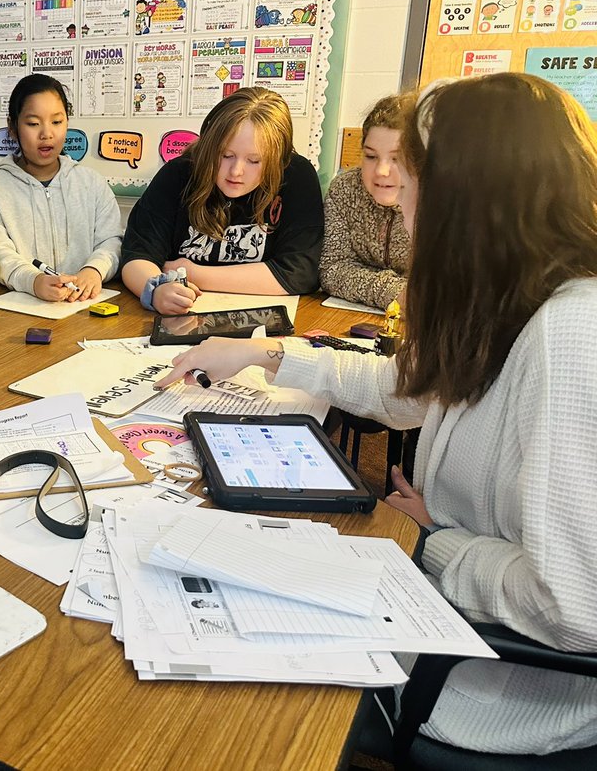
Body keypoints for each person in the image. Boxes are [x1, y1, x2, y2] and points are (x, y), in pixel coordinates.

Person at [158, 73, 597, 755]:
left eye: (416, 170)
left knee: (224, 695)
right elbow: (408, 390)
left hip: (490, 690)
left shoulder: (573, 331)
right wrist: (264, 354)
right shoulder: (514, 293)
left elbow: (577, 610)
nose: (398, 187)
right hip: (453, 614)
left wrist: (436, 539)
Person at [121, 86, 323, 315]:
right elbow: (136, 256)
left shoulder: (296, 175)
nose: (236, 171)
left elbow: (300, 273)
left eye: (254, 161)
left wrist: (192, 272)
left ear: (278, 160)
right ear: (208, 148)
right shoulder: (178, 174)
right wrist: (155, 291)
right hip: (185, 319)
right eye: (225, 155)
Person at [0, 73, 122, 302]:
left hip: (85, 307)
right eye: (33, 123)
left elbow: (112, 240)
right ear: (12, 127)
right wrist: (33, 281)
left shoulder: (91, 183)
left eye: (57, 122)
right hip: (20, 311)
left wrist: (94, 270)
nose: (47, 134)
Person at [319, 93, 413, 309]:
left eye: (397, 159)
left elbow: (442, 288)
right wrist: (396, 294)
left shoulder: (443, 200)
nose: (381, 171)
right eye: (371, 156)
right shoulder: (345, 189)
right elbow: (332, 268)